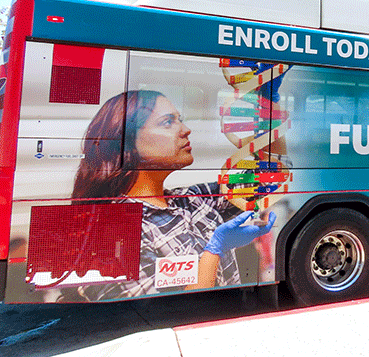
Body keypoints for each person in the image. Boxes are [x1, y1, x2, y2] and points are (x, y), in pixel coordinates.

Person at [71, 90, 275, 301]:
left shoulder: (192, 198)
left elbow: (269, 178)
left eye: (180, 120)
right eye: (167, 122)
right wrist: (216, 249)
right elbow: (162, 312)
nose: (186, 130)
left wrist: (272, 105)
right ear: (126, 142)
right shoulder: (112, 230)